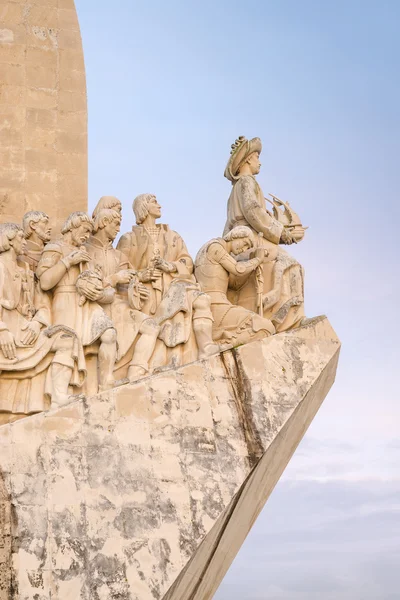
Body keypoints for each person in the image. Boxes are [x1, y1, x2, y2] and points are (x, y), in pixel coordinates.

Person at [117, 194, 218, 368]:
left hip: (174, 285)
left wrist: (170, 266)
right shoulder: (129, 238)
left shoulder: (173, 236)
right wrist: (142, 275)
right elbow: (120, 270)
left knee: (195, 302)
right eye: (154, 202)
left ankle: (202, 348)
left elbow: (187, 260)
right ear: (144, 207)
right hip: (147, 293)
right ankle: (159, 364)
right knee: (162, 325)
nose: (160, 205)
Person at [0, 223, 85, 422]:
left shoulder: (28, 272)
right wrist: (2, 330)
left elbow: (42, 304)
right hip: (7, 333)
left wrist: (37, 323)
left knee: (67, 339)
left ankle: (58, 398)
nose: (25, 243)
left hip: (27, 330)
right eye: (21, 238)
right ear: (10, 240)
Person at [223, 136, 306, 332]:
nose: (259, 161)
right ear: (248, 160)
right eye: (257, 157)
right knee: (292, 266)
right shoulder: (246, 182)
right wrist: (283, 234)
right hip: (250, 239)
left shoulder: (237, 188)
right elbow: (254, 213)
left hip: (244, 239)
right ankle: (285, 321)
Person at [37, 212, 117, 393]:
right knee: (68, 343)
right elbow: (45, 282)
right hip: (65, 301)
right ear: (72, 226)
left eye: (90, 232)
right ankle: (60, 394)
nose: (87, 236)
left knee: (109, 333)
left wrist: (99, 291)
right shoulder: (54, 248)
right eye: (85, 230)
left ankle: (106, 385)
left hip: (87, 303)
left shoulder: (85, 253)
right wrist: (68, 261)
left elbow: (100, 282)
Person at [86, 203, 160, 381]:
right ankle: (106, 381)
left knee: (151, 326)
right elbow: (86, 285)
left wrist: (136, 288)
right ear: (104, 222)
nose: (119, 229)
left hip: (119, 306)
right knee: (109, 335)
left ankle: (136, 370)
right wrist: (114, 279)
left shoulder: (118, 255)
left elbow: (130, 279)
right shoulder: (85, 250)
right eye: (116, 224)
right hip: (96, 307)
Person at [195, 226, 275, 345]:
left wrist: (252, 262)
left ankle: (227, 345)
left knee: (266, 327)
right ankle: (227, 345)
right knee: (265, 326)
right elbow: (238, 269)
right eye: (245, 243)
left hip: (220, 305)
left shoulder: (221, 253)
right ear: (236, 235)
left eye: (247, 247)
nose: (244, 249)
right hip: (215, 305)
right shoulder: (215, 247)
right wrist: (258, 259)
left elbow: (234, 283)